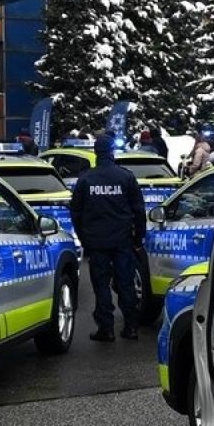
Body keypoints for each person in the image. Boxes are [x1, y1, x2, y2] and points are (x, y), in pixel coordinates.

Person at [68, 131, 146, 341]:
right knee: (126, 282)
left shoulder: (86, 179)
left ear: (96, 152)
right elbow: (139, 210)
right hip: (122, 240)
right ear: (112, 152)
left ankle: (106, 328)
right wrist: (138, 239)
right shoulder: (126, 176)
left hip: (97, 241)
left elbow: (75, 212)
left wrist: (83, 238)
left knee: (101, 285)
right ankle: (131, 327)